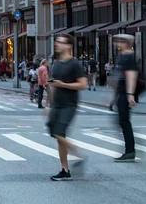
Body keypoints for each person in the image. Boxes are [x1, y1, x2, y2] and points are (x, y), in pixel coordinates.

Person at [47, 33, 87, 181]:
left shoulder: (74, 64)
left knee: (58, 132)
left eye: (61, 42)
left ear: (69, 46)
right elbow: (53, 85)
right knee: (57, 135)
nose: (57, 44)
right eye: (56, 42)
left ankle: (77, 153)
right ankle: (65, 169)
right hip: (56, 104)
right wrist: (48, 104)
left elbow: (83, 84)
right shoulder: (56, 63)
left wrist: (63, 84)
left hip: (69, 104)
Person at [113, 34, 139, 162]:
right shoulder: (122, 56)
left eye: (119, 41)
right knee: (123, 122)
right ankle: (129, 150)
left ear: (126, 43)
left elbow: (131, 75)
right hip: (121, 93)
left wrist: (130, 94)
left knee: (125, 122)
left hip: (125, 94)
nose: (117, 43)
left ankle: (130, 151)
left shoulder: (129, 57)